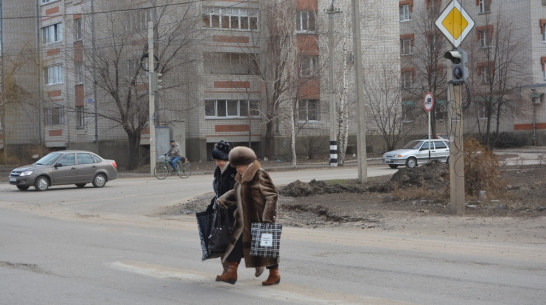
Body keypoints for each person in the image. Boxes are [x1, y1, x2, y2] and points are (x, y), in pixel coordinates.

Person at [216, 146, 280, 286]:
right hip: (242, 222)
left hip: (259, 220)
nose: (236, 169)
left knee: (266, 250)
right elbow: (236, 192)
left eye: (238, 166)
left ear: (247, 164)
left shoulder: (260, 175)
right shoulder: (241, 177)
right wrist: (223, 199)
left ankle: (274, 274)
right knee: (235, 246)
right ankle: (232, 273)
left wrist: (267, 218)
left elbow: (272, 195)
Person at [206, 140, 237, 276]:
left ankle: (267, 267)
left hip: (233, 212)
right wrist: (211, 206)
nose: (219, 163)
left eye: (221, 160)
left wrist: (227, 204)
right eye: (216, 160)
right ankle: (227, 270)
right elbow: (218, 193)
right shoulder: (218, 172)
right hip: (220, 212)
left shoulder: (234, 171)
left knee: (236, 242)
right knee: (221, 241)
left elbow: (236, 192)